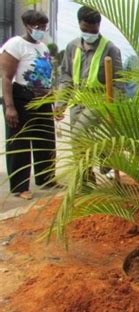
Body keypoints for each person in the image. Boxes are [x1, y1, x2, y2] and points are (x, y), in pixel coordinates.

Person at [0, 10, 58, 200]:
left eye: (43, 27)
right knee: (20, 142)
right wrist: (9, 106)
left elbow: (48, 77)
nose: (41, 30)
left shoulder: (43, 47)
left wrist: (53, 102)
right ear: (27, 26)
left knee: (46, 140)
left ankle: (46, 178)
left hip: (42, 99)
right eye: (37, 27)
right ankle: (19, 186)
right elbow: (7, 78)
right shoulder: (16, 44)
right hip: (21, 97)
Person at [57, 6, 122, 131]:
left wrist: (113, 113)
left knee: (79, 136)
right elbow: (66, 76)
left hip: (98, 106)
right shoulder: (72, 47)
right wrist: (61, 102)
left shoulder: (110, 49)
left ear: (98, 26)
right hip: (77, 104)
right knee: (79, 147)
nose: (89, 34)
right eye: (85, 30)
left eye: (93, 31)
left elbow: (119, 84)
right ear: (79, 24)